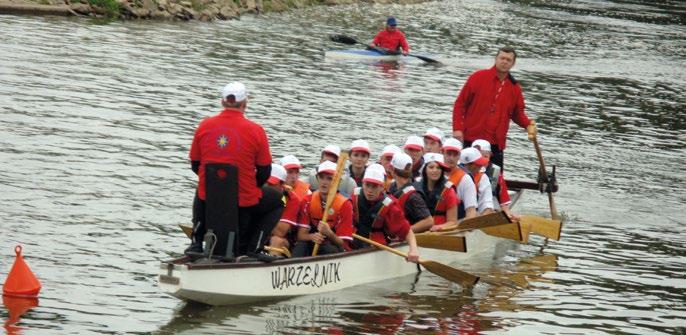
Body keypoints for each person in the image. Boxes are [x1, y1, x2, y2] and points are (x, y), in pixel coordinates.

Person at [186, 82, 281, 257]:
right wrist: (255, 187)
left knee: (202, 184)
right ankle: (254, 249)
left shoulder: (204, 126)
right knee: (277, 200)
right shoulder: (256, 130)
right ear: (245, 103)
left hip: (210, 198)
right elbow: (264, 172)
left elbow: (195, 165)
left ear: (222, 102)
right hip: (243, 199)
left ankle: (196, 242)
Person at [452, 46, 537, 169]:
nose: (504, 62)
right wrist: (457, 129)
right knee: (466, 174)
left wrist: (529, 125)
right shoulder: (478, 77)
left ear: (513, 64)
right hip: (472, 137)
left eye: (508, 60)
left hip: (495, 143)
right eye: (502, 58)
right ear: (496, 59)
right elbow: (460, 104)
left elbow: (517, 114)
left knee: (495, 180)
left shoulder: (514, 88)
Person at [350, 164, 419, 263]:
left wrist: (413, 249)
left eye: (374, 186)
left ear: (382, 187)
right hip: (353, 241)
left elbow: (406, 231)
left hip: (376, 245)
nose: (370, 191)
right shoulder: (354, 196)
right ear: (362, 184)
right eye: (367, 185)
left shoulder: (391, 206)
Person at [293, 161, 354, 257]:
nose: (324, 182)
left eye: (329, 179)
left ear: (338, 182)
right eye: (321, 177)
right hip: (313, 242)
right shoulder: (307, 200)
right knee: (300, 247)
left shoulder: (345, 205)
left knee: (329, 249)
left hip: (333, 245)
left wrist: (329, 233)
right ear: (317, 178)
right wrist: (312, 236)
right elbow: (301, 235)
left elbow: (343, 243)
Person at [471, 139, 518, 221]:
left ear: (490, 156)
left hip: (488, 205)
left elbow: (503, 200)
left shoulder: (495, 172)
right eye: (478, 156)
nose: (482, 160)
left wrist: (507, 214)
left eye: (485, 156)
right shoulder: (464, 169)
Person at [387, 153, 434, 233]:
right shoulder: (392, 186)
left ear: (393, 170)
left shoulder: (414, 196)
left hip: (406, 237)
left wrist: (405, 232)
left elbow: (429, 221)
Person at [413, 153, 458, 231]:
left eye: (438, 168)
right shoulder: (415, 188)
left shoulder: (449, 191)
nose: (435, 170)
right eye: (431, 167)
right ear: (424, 170)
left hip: (439, 233)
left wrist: (439, 227)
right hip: (418, 230)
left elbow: (452, 222)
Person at [265, 164, 302, 256]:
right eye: (266, 183)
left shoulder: (292, 199)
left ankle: (271, 267)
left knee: (276, 240)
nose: (267, 187)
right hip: (260, 234)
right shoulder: (257, 192)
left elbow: (280, 232)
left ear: (282, 184)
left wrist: (259, 223)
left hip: (285, 240)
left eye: (272, 184)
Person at [457, 147, 495, 217]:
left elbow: (487, 206)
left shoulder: (482, 177)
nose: (481, 166)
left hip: (471, 216)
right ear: (467, 165)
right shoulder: (450, 174)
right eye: (478, 164)